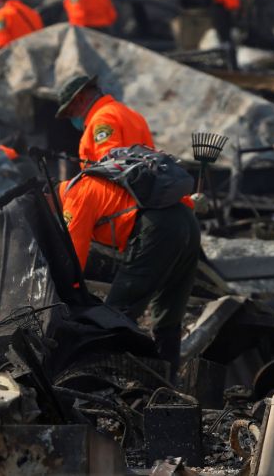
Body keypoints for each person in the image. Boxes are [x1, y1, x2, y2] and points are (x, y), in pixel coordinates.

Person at [59, 170, 199, 379]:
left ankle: (109, 379)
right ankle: (168, 384)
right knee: (169, 313)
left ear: (49, 196)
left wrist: (66, 297)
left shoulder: (74, 196)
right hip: (187, 219)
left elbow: (73, 258)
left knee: (116, 314)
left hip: (159, 228)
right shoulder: (98, 181)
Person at [55, 74, 153, 166]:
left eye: (71, 113)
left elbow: (109, 168)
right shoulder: (133, 115)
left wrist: (66, 185)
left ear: (80, 99)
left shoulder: (101, 120)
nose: (72, 119)